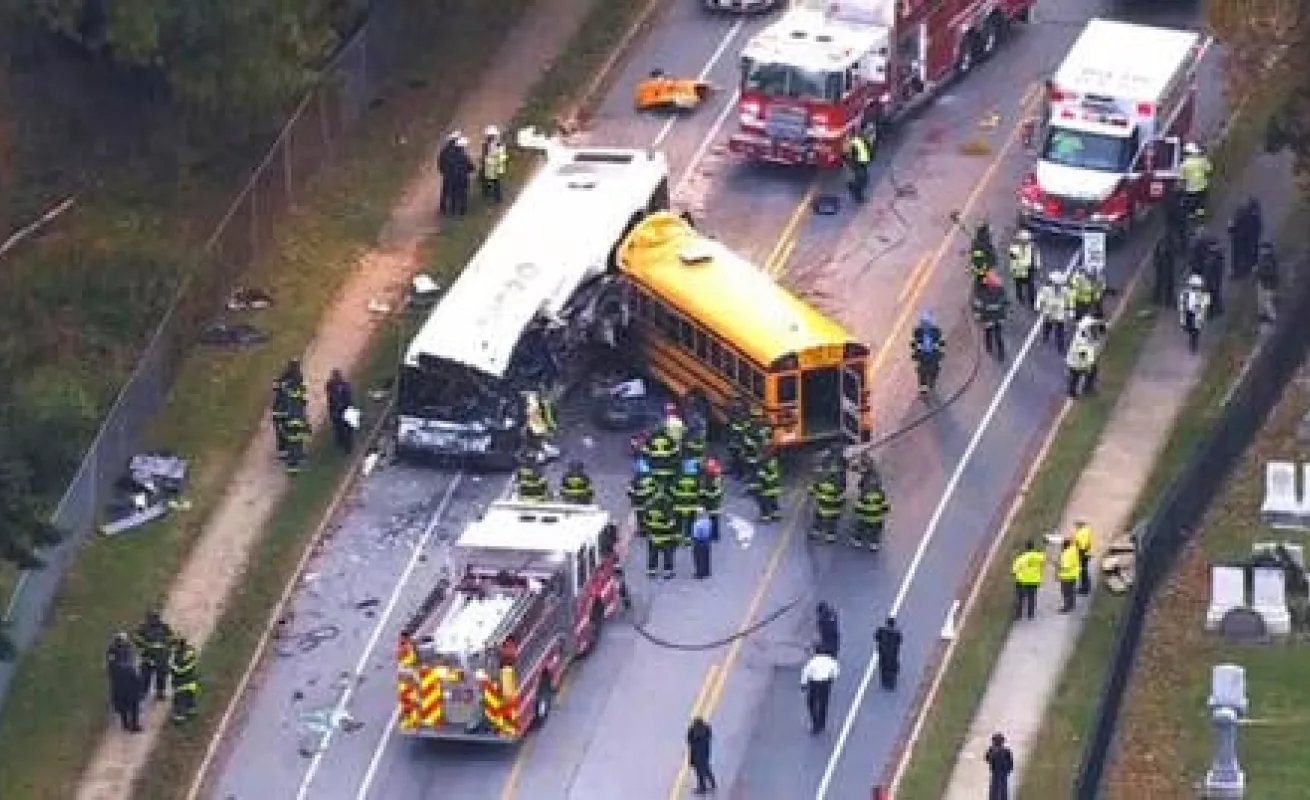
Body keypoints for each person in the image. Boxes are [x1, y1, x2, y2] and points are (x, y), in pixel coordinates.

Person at [134, 608, 175, 701]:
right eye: (152, 618)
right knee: (145, 676)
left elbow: (172, 637)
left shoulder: (164, 627)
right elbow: (136, 637)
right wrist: (146, 645)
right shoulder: (143, 627)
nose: (154, 620)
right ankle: (142, 693)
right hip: (147, 656)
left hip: (161, 656)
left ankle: (160, 692)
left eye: (155, 617)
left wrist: (165, 644)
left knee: (161, 675)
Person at [106, 632, 143, 732]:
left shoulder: (116, 651)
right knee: (131, 703)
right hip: (125, 679)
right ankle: (131, 724)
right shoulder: (117, 651)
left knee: (126, 703)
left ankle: (128, 724)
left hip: (121, 680)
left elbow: (111, 667)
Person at [800, 649, 840, 734]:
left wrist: (803, 684)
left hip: (814, 683)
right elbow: (836, 671)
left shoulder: (813, 661)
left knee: (811, 702)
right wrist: (832, 678)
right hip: (826, 683)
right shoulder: (830, 660)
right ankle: (822, 722)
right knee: (823, 703)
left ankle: (815, 722)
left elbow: (806, 672)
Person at [973, 270, 1010, 362]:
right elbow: (978, 305)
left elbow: (1005, 301)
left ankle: (999, 352)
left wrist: (1006, 310)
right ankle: (992, 349)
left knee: (996, 336)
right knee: (991, 335)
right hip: (991, 318)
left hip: (994, 318)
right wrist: (978, 315)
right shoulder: (983, 292)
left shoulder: (998, 290)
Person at [644, 493, 679, 579]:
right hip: (666, 537)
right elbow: (672, 524)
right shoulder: (668, 508)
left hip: (653, 536)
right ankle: (667, 571)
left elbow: (645, 520)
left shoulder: (649, 507)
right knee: (668, 554)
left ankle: (651, 571)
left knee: (652, 554)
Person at [1034, 270, 1070, 352]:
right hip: (1049, 313)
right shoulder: (1046, 290)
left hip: (1060, 314)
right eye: (1056, 284)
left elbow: (1069, 301)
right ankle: (1045, 338)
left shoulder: (1065, 291)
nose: (1057, 286)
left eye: (1059, 284)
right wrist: (1038, 306)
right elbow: (1040, 298)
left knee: (1060, 331)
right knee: (1047, 327)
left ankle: (1060, 347)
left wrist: (1069, 311)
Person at [910, 311, 945, 393]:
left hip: (933, 356)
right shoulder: (917, 332)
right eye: (924, 323)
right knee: (922, 373)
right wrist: (917, 348)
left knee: (934, 371)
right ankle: (923, 389)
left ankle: (931, 385)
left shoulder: (936, 332)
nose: (925, 325)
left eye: (927, 323)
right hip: (923, 357)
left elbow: (941, 343)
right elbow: (914, 344)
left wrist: (938, 346)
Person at [1228, 196, 1262, 279]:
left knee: (1241, 252)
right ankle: (1245, 268)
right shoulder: (1248, 213)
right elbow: (1258, 226)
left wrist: (1231, 230)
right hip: (1242, 236)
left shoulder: (1243, 212)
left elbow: (1233, 223)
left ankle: (1240, 269)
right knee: (1244, 252)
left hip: (1243, 236)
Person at [441, 135, 475, 216]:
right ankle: (462, 211)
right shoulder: (464, 157)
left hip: (452, 178)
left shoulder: (450, 154)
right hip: (462, 178)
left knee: (453, 194)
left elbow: (445, 165)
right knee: (463, 194)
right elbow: (471, 167)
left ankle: (452, 210)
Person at [851, 479, 890, 550]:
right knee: (876, 531)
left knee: (860, 527)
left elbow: (857, 508)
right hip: (877, 519)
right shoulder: (881, 495)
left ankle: (858, 541)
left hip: (865, 518)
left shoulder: (863, 495)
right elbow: (886, 507)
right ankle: (874, 544)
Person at [1065, 318, 1100, 398]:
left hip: (1076, 360)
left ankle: (1082, 388)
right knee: (1077, 375)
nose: (1093, 328)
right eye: (1091, 327)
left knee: (1077, 376)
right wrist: (1088, 366)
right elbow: (1083, 356)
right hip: (1076, 362)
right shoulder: (1082, 340)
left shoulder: (1084, 334)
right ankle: (1078, 390)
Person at [1178, 141, 1213, 219]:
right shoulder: (1202, 160)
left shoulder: (1184, 164)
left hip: (1191, 188)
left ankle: (1191, 215)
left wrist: (1182, 187)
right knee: (1201, 202)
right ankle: (1201, 215)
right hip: (1202, 186)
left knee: (1191, 202)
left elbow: (1182, 178)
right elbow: (1209, 170)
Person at [1011, 540, 1044, 620]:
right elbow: (1044, 559)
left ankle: (1019, 615)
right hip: (1034, 580)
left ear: (1026, 547)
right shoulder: (1039, 557)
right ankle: (1030, 614)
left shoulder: (1021, 558)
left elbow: (1014, 570)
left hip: (1022, 581)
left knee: (1020, 598)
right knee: (1032, 597)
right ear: (1033, 547)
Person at [1178, 274, 1212, 354]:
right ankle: (1192, 339)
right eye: (1193, 287)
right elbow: (1182, 305)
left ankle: (1194, 344)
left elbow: (1206, 303)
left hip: (1198, 313)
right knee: (1190, 328)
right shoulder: (1185, 293)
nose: (1195, 289)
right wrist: (1182, 320)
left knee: (1196, 330)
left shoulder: (1204, 294)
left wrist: (1201, 307)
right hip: (1189, 313)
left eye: (1196, 287)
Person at [808, 471, 845, 543]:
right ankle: (830, 538)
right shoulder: (839, 489)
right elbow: (842, 501)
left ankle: (815, 533)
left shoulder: (820, 486)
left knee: (818, 520)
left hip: (822, 510)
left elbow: (810, 491)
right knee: (832, 524)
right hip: (834, 512)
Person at [170, 637, 200, 724]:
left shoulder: (177, 656)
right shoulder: (191, 652)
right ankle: (191, 711)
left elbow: (178, 670)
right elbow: (191, 665)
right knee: (190, 698)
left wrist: (172, 667)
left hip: (181, 683)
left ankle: (179, 718)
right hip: (191, 682)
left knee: (180, 701)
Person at [325, 369, 355, 453]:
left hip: (346, 408)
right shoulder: (330, 385)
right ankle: (340, 441)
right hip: (336, 409)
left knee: (348, 428)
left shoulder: (345, 385)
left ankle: (348, 447)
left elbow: (348, 399)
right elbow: (330, 397)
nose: (336, 378)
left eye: (336, 376)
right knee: (338, 427)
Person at [1007, 228, 1039, 305]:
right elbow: (1013, 261)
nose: (1026, 242)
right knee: (1019, 287)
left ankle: (1032, 302)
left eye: (1027, 240)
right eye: (1025, 240)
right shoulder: (1014, 249)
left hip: (1029, 270)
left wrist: (1037, 265)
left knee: (1031, 287)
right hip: (1018, 271)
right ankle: (1020, 299)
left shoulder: (1032, 247)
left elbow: (1036, 256)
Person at [686, 717, 717, 795]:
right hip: (704, 752)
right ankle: (712, 783)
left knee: (699, 771)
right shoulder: (706, 731)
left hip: (697, 753)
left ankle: (703, 787)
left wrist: (691, 758)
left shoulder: (692, 732)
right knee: (706, 768)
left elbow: (691, 744)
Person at [671, 465, 704, 539]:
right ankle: (688, 538)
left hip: (679, 505)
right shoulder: (695, 480)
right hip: (691, 505)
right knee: (690, 522)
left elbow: (672, 490)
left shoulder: (677, 478)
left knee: (678, 522)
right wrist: (700, 504)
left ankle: (678, 537)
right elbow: (699, 493)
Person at [751, 450, 783, 522]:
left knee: (763, 502)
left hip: (767, 489)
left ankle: (765, 517)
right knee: (773, 501)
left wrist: (755, 486)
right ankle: (775, 515)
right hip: (775, 488)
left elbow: (765, 479)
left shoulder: (765, 466)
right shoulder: (774, 463)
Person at [480, 125, 508, 204]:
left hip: (494, 166)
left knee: (496, 183)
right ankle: (488, 195)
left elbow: (501, 156)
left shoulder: (498, 145)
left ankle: (496, 198)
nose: (488, 137)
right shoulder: (487, 144)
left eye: (489, 136)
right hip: (490, 166)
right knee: (489, 181)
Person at [843, 131, 873, 203]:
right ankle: (857, 195)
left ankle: (854, 189)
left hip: (860, 163)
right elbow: (848, 155)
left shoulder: (857, 141)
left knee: (862, 179)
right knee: (862, 179)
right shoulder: (854, 143)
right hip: (858, 164)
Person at [874, 617, 903, 691]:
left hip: (883, 652)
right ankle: (891, 683)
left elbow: (876, 637)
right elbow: (900, 641)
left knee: (883, 667)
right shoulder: (897, 632)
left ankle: (884, 681)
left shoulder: (881, 630)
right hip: (893, 653)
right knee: (892, 667)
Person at [699, 459, 725, 541]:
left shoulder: (712, 479)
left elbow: (712, 491)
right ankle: (715, 535)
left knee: (713, 518)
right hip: (715, 502)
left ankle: (714, 535)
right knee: (714, 518)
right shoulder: (717, 476)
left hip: (713, 502)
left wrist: (703, 500)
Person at [726, 399, 751, 479]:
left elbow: (743, 430)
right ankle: (733, 469)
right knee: (733, 456)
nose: (735, 408)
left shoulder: (744, 418)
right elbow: (731, 426)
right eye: (735, 407)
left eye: (737, 407)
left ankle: (740, 473)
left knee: (740, 458)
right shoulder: (735, 416)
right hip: (733, 439)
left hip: (740, 441)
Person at [1255, 241, 1279, 324]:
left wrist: (1259, 272)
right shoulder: (1263, 258)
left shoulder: (1270, 259)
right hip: (1262, 282)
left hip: (1268, 283)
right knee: (1261, 300)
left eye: (1264, 249)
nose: (1262, 251)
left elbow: (1271, 272)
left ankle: (1272, 317)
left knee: (1267, 301)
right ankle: (1262, 316)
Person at [986, 732, 1015, 800]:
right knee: (995, 788)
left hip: (1002, 772)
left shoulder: (1006, 751)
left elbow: (1010, 762)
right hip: (996, 771)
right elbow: (987, 759)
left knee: (1002, 788)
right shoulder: (992, 750)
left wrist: (1008, 769)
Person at [1151, 235, 1177, 308]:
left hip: (1164, 267)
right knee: (1165, 284)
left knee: (1162, 283)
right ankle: (1164, 300)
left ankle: (1162, 300)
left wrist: (1156, 262)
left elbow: (1156, 257)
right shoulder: (1166, 246)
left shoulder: (1161, 244)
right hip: (1164, 267)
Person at [1058, 538, 1080, 613]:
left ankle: (1067, 607)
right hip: (1074, 574)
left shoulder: (1066, 554)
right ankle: (1072, 604)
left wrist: (1058, 566)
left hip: (1066, 576)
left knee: (1066, 592)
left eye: (1062, 545)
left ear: (1064, 546)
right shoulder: (1074, 550)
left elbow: (1066, 567)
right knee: (1072, 590)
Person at [690, 510, 714, 579]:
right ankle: (706, 572)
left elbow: (695, 534)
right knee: (706, 556)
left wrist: (692, 540)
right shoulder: (708, 521)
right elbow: (710, 531)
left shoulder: (696, 523)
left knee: (698, 558)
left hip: (698, 542)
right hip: (707, 541)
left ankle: (699, 573)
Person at [1073, 520, 1094, 595]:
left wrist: (1078, 552)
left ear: (1079, 525)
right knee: (1084, 571)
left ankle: (1085, 588)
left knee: (1083, 571)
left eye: (1076, 526)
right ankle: (1086, 586)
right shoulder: (1087, 531)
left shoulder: (1082, 533)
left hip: (1083, 553)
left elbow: (1082, 545)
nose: (1075, 527)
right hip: (1087, 552)